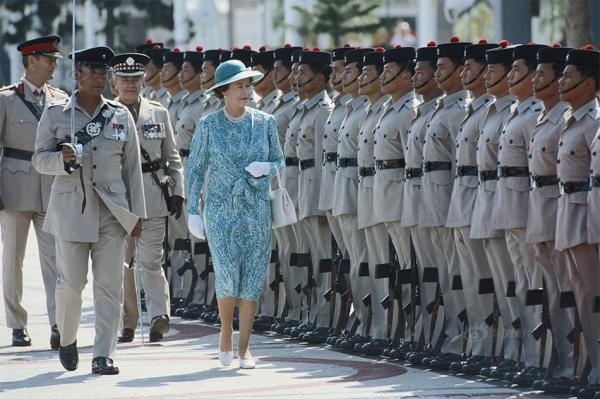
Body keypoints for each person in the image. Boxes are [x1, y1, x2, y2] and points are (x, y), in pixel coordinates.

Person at [32, 46, 146, 374]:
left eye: (102, 72)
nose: (98, 78)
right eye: (91, 71)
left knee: (108, 285)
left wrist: (137, 215)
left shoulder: (119, 115)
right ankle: (67, 338)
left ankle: (103, 354)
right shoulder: (56, 113)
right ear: (77, 74)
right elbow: (39, 159)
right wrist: (61, 160)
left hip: (112, 211)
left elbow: (132, 170)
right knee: (70, 283)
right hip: (71, 211)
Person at [186, 59, 285, 369]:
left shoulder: (265, 122)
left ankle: (245, 347)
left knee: (253, 276)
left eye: (248, 85)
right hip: (219, 209)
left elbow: (280, 163)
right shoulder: (208, 125)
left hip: (256, 208)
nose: (246, 91)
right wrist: (192, 210)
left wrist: (265, 167)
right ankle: (225, 335)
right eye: (239, 86)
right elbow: (196, 168)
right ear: (224, 92)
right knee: (228, 274)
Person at [110, 52, 184, 343]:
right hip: (118, 198)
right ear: (114, 82)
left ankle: (158, 316)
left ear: (143, 81)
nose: (130, 84)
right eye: (124, 79)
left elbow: (173, 158)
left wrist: (178, 191)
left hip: (153, 194)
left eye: (135, 79)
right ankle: (129, 321)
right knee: (122, 264)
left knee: (152, 259)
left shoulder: (159, 112)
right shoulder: (107, 113)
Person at [0, 35, 68, 349]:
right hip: (13, 186)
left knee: (55, 259)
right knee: (12, 259)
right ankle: (16, 324)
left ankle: (58, 324)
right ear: (32, 61)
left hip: (50, 187)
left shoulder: (60, 99)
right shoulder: (6, 99)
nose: (55, 64)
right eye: (49, 59)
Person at [491, 43, 547, 382]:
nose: (512, 76)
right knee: (518, 284)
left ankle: (539, 357)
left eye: (517, 70)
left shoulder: (533, 115)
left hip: (528, 208)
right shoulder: (516, 112)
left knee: (535, 284)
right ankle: (522, 354)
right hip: (507, 206)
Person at [446, 40, 497, 373]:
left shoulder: (494, 111)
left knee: (486, 278)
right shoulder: (473, 110)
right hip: (461, 195)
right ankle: (474, 344)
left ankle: (492, 346)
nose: (465, 74)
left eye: (472, 67)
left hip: (484, 197)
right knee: (467, 276)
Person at [555, 46, 600, 399]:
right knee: (580, 295)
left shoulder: (593, 120)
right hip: (569, 211)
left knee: (592, 295)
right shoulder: (571, 120)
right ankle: (586, 367)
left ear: (589, 83)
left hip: (587, 214)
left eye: (569, 76)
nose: (561, 81)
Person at [401, 41, 444, 363]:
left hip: (444, 199)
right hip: (415, 193)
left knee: (447, 273)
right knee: (422, 270)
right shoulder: (423, 112)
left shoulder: (451, 113)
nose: (418, 75)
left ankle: (450, 339)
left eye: (424, 69)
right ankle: (426, 334)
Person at [375, 45, 419, 353]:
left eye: (389, 72)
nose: (382, 78)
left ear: (407, 77)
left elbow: (410, 163)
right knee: (400, 266)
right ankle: (405, 332)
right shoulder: (388, 109)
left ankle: (414, 332)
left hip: (402, 197)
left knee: (409, 266)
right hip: (384, 193)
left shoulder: (407, 112)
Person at [332, 48, 372, 350]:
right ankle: (360, 320)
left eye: (347, 71)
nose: (340, 77)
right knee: (353, 258)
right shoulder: (348, 108)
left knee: (368, 259)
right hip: (341, 186)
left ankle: (372, 322)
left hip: (365, 190)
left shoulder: (366, 111)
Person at [294, 49, 334, 343]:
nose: (297, 78)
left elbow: (321, 159)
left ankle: (326, 317)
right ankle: (311, 314)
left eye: (303, 73)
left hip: (313, 187)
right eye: (296, 72)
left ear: (320, 78)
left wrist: (321, 201)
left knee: (323, 257)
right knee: (308, 256)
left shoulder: (323, 110)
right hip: (298, 185)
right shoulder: (304, 108)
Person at [354, 48, 393, 355]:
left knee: (386, 264)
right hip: (363, 187)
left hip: (389, 192)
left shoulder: (394, 110)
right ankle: (374, 326)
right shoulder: (369, 110)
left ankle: (390, 329)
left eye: (368, 73)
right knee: (368, 263)